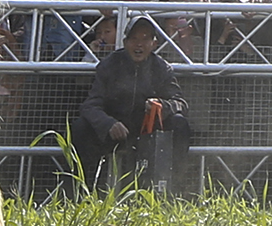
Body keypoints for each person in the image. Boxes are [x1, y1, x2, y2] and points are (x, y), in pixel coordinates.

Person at [73, 16, 187, 188]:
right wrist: (108, 124)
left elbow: (180, 103)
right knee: (81, 126)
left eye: (145, 38)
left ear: (154, 44)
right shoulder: (109, 65)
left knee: (179, 123)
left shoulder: (162, 68)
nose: (139, 44)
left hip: (149, 133)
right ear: (125, 42)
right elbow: (90, 105)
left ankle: (175, 187)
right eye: (134, 39)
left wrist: (162, 106)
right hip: (114, 132)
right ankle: (83, 190)